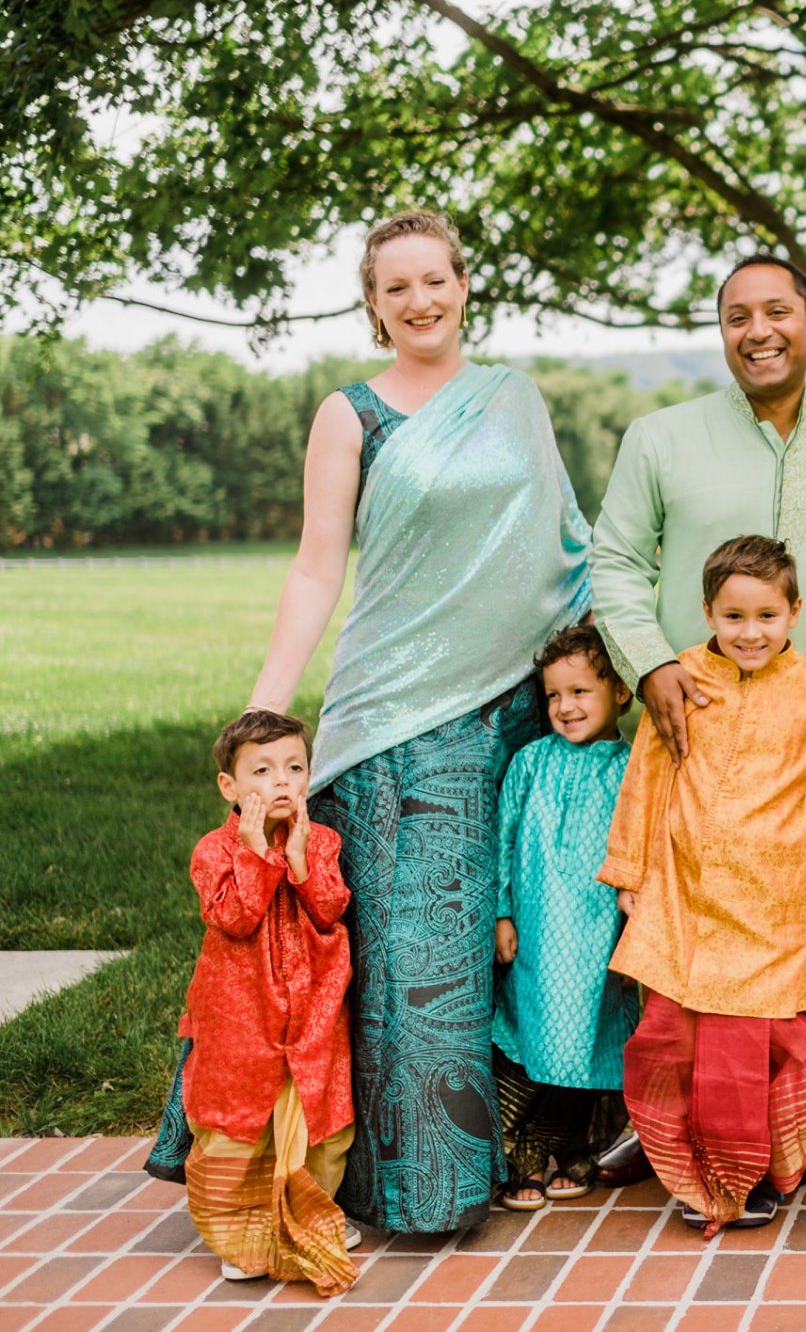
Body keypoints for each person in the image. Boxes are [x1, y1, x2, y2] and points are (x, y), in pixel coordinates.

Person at [140, 209, 594, 1233]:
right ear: (373, 302)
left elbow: (569, 540)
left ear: (464, 284)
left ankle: (540, 1143)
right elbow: (316, 566)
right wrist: (267, 710)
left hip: (526, 711)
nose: (420, 300)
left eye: (436, 279)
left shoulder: (513, 399)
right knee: (414, 965)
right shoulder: (353, 416)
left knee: (524, 943)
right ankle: (413, 1189)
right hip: (401, 724)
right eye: (398, 287)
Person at [590, 254, 806, 1154]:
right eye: (737, 316)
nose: (758, 330)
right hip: (699, 742)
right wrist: (649, 666)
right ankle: (681, 1131)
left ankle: (782, 1140)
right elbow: (613, 563)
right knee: (688, 935)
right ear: (720, 331)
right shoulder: (661, 437)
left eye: (778, 312)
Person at [598, 535, 806, 1234]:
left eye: (765, 616)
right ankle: (686, 1164)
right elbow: (646, 778)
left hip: (767, 904)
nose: (749, 632)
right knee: (673, 1037)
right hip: (683, 894)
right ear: (707, 612)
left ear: (794, 612)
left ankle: (744, 1173)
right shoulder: (684, 682)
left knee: (744, 1047)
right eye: (733, 617)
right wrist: (630, 870)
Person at [181, 711, 358, 1295]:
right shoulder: (214, 851)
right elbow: (234, 917)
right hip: (243, 1017)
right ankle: (240, 1238)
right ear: (230, 788)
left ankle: (308, 1215)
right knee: (238, 1127)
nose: (281, 781)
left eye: (294, 767)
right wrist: (258, 852)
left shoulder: (322, 839)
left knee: (323, 1122)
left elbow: (330, 909)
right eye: (262, 771)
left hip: (313, 1011)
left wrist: (303, 858)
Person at [490, 625, 638, 1210]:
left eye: (579, 692)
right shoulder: (530, 762)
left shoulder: (634, 767)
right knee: (537, 1030)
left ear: (621, 692)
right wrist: (502, 912)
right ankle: (522, 1146)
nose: (564, 706)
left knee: (594, 1032)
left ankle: (564, 1140)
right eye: (553, 695)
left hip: (602, 930)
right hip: (539, 928)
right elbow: (502, 840)